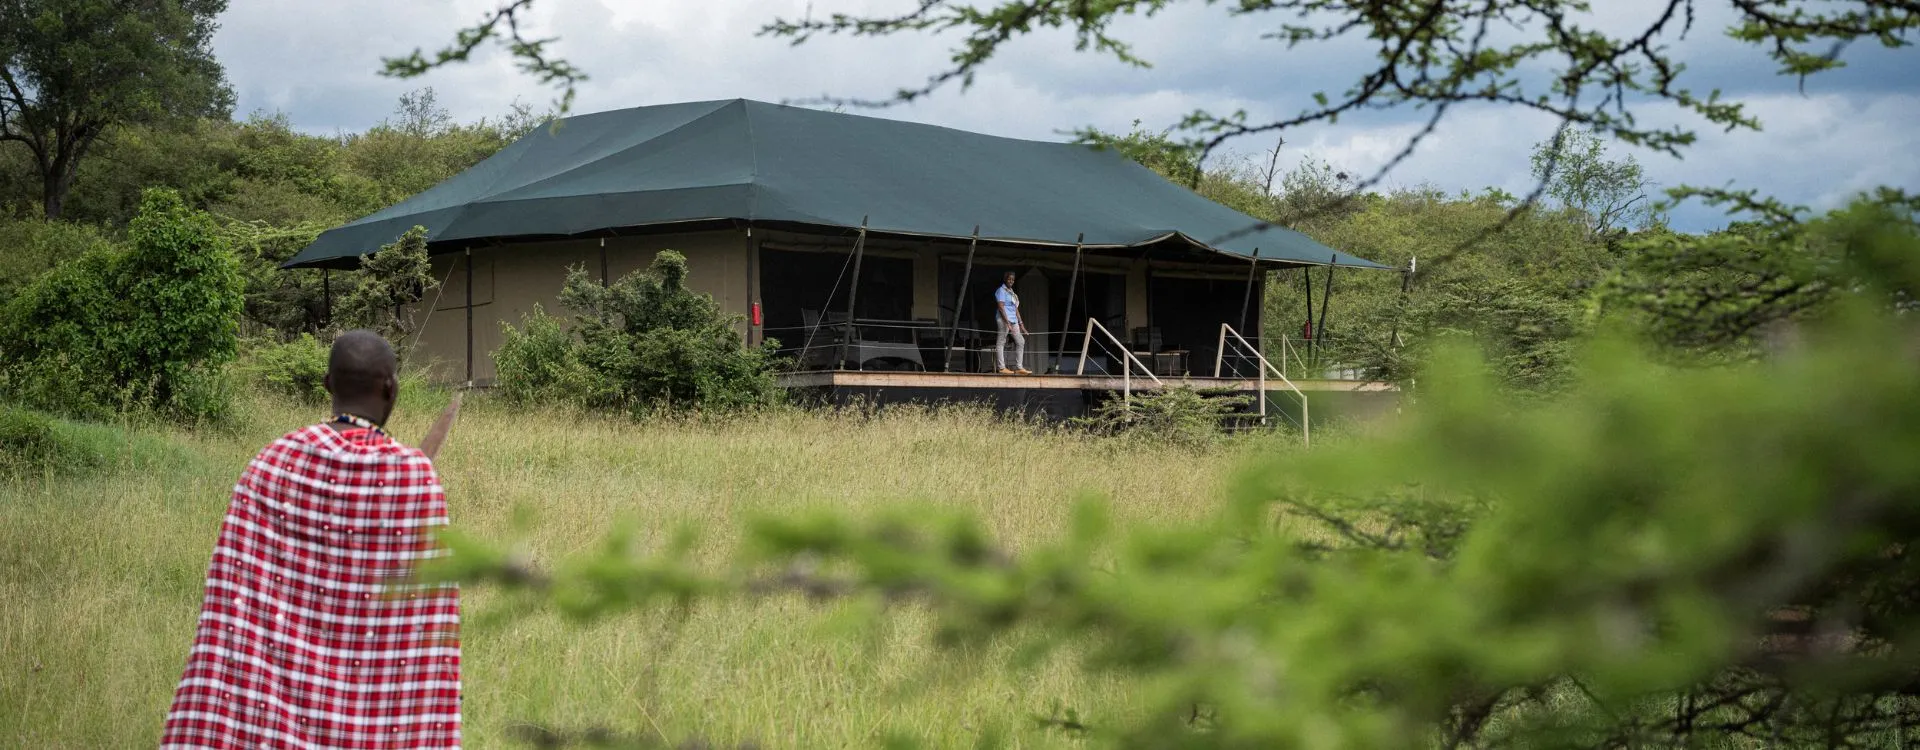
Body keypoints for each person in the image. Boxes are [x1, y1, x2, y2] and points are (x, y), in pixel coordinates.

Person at [159, 330, 462, 749]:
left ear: (326, 385)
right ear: (392, 390)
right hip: (374, 720)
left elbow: (236, 603)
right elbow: (423, 612)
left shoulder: (272, 462)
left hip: (273, 722)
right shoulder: (413, 476)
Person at [994, 270, 1031, 375]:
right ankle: (1001, 367)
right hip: (1003, 319)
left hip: (1013, 320)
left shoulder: (1012, 293)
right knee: (1001, 342)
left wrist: (1022, 325)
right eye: (1009, 279)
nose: (1011, 281)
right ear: (1005, 279)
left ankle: (1019, 367)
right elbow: (1001, 307)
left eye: (1013, 279)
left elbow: (1016, 309)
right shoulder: (1001, 290)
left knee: (1021, 341)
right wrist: (1007, 322)